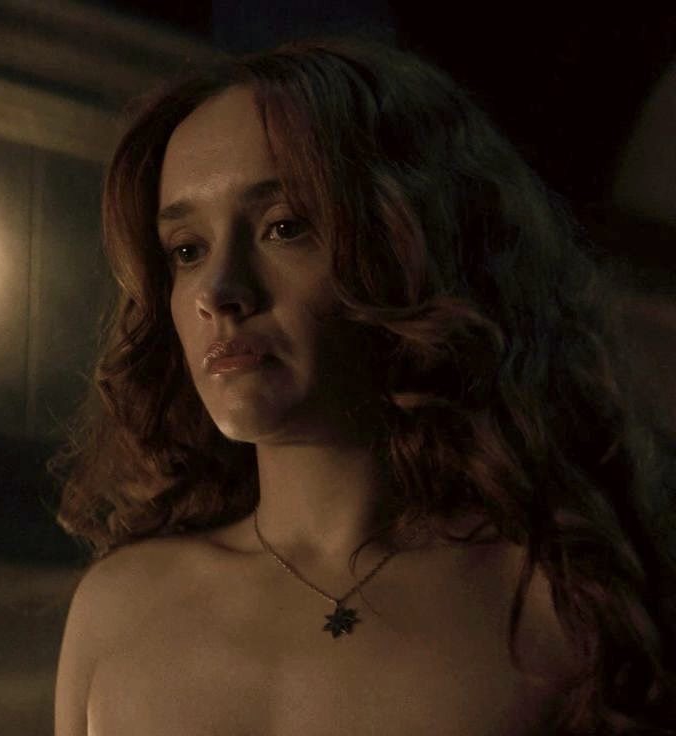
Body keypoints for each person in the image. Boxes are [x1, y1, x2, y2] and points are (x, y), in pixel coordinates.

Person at [50, 35, 676, 735]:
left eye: (284, 227)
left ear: (407, 244)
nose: (218, 292)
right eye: (187, 250)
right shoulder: (118, 608)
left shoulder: (558, 610)